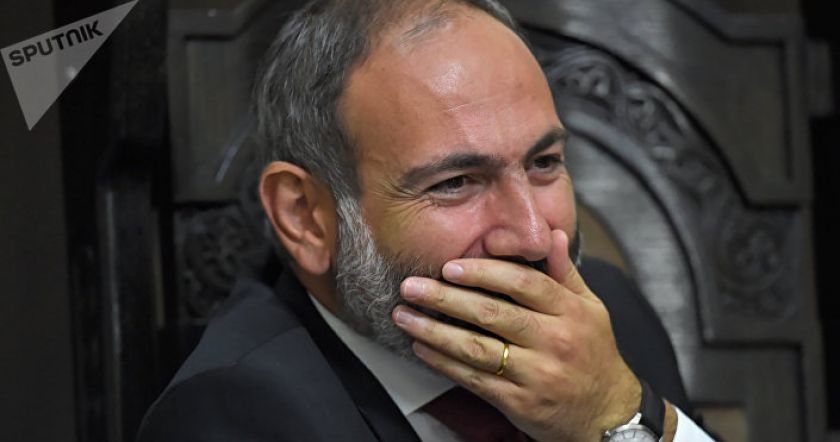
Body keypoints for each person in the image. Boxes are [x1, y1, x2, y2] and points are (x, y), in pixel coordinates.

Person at [138, 0, 716, 440]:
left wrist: (618, 414)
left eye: (543, 163)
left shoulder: (606, 317)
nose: (533, 235)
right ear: (306, 217)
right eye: (455, 183)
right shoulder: (235, 412)